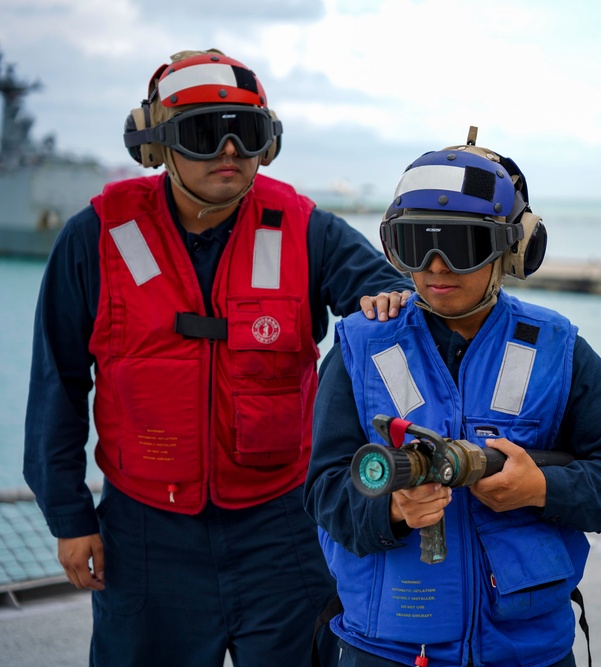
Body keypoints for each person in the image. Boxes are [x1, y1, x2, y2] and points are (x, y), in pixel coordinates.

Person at [23, 48, 412, 667]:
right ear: (157, 145)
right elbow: (57, 384)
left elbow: (399, 315)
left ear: (269, 143)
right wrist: (68, 516)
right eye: (205, 134)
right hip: (145, 531)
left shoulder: (307, 230)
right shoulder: (96, 238)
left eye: (246, 134)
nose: (229, 151)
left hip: (284, 527)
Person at [304, 130, 601, 667]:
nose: (436, 266)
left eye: (462, 245)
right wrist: (392, 509)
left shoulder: (556, 347)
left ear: (509, 249)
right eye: (415, 244)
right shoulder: (361, 344)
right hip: (388, 648)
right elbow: (324, 490)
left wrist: (543, 487)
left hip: (526, 651)